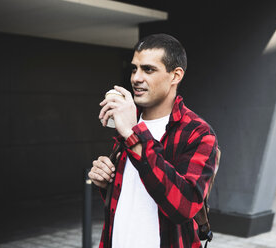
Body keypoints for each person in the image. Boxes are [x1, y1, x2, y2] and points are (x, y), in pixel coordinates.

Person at [89, 33, 218, 248]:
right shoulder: (128, 123)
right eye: (134, 68)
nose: (136, 78)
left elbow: (184, 206)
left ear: (175, 75)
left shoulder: (198, 133)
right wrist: (106, 182)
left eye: (148, 69)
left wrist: (133, 134)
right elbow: (132, 198)